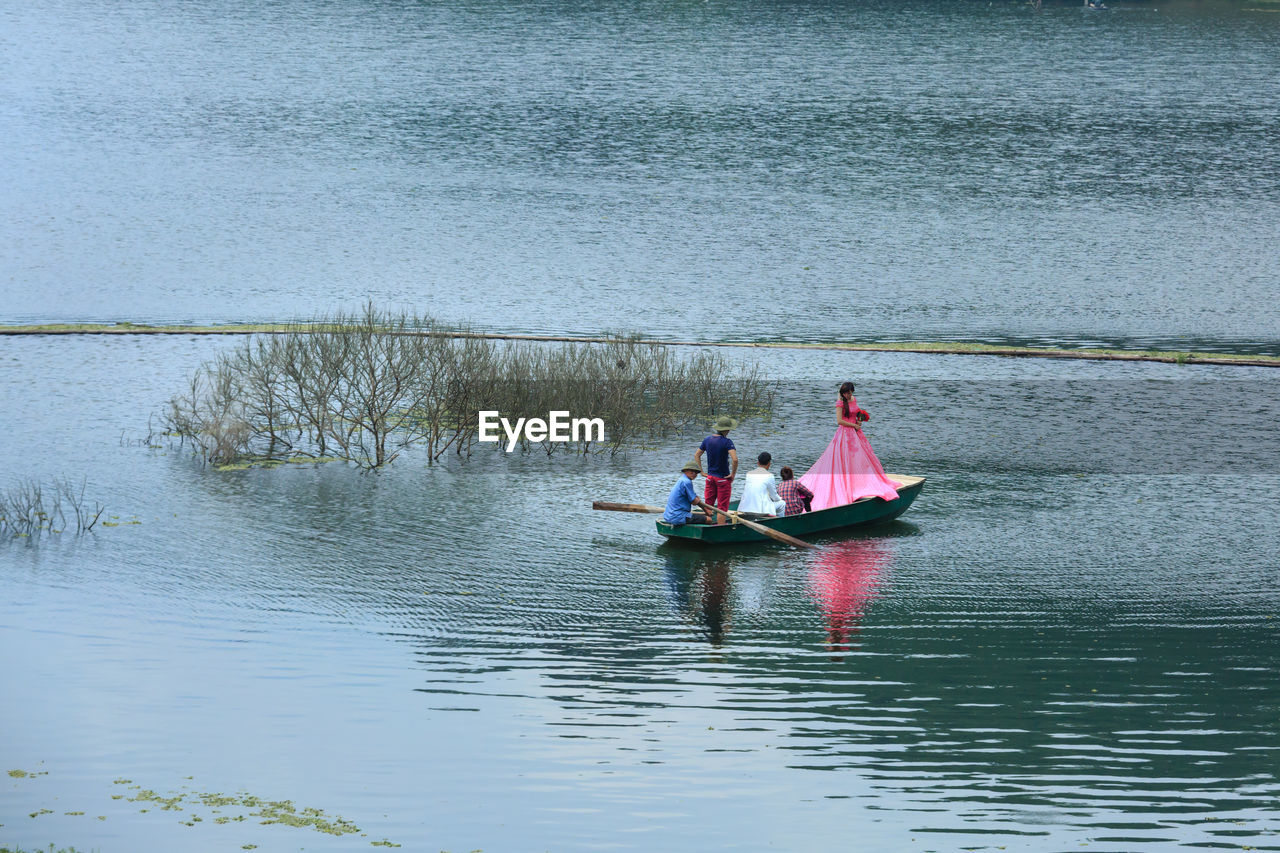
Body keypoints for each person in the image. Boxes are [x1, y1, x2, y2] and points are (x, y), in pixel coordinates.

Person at [799, 382, 900, 511]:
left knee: (861, 458)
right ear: (842, 393)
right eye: (847, 393)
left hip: (856, 433)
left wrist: (859, 421)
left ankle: (860, 481)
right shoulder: (840, 403)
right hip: (845, 434)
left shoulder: (853, 399)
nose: (849, 394)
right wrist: (854, 426)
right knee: (847, 459)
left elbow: (856, 412)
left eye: (851, 392)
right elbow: (839, 421)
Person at [695, 416, 739, 521]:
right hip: (723, 479)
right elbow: (735, 460)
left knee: (708, 505)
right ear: (726, 429)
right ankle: (721, 528)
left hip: (710, 478)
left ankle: (707, 525)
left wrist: (701, 471)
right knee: (722, 508)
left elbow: (697, 455)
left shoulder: (707, 440)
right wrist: (732, 474)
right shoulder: (727, 442)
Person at [663, 460, 719, 526]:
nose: (694, 474)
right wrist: (706, 510)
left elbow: (694, 499)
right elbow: (694, 501)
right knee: (709, 520)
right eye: (692, 471)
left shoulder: (681, 480)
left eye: (696, 472)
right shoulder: (687, 482)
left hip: (668, 516)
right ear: (685, 471)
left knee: (698, 516)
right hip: (678, 516)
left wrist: (702, 506)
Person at [738, 451, 786, 516]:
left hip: (744, 508)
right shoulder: (769, 476)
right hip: (760, 510)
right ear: (769, 464)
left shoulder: (749, 474)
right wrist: (780, 498)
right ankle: (779, 522)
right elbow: (774, 496)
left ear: (758, 463)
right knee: (782, 504)